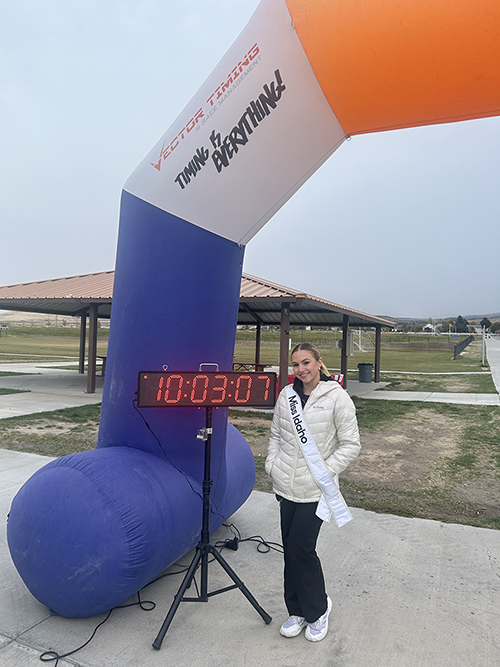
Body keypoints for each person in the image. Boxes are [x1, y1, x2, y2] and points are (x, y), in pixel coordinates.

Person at [265, 342, 361, 642]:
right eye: (296, 364)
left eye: (306, 362)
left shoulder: (337, 398)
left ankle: (318, 611)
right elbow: (276, 435)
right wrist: (272, 464)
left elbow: (351, 444)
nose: (301, 369)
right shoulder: (287, 396)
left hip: (315, 490)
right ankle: (296, 610)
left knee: (301, 549)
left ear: (319, 363)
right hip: (286, 487)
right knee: (289, 551)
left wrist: (324, 472)